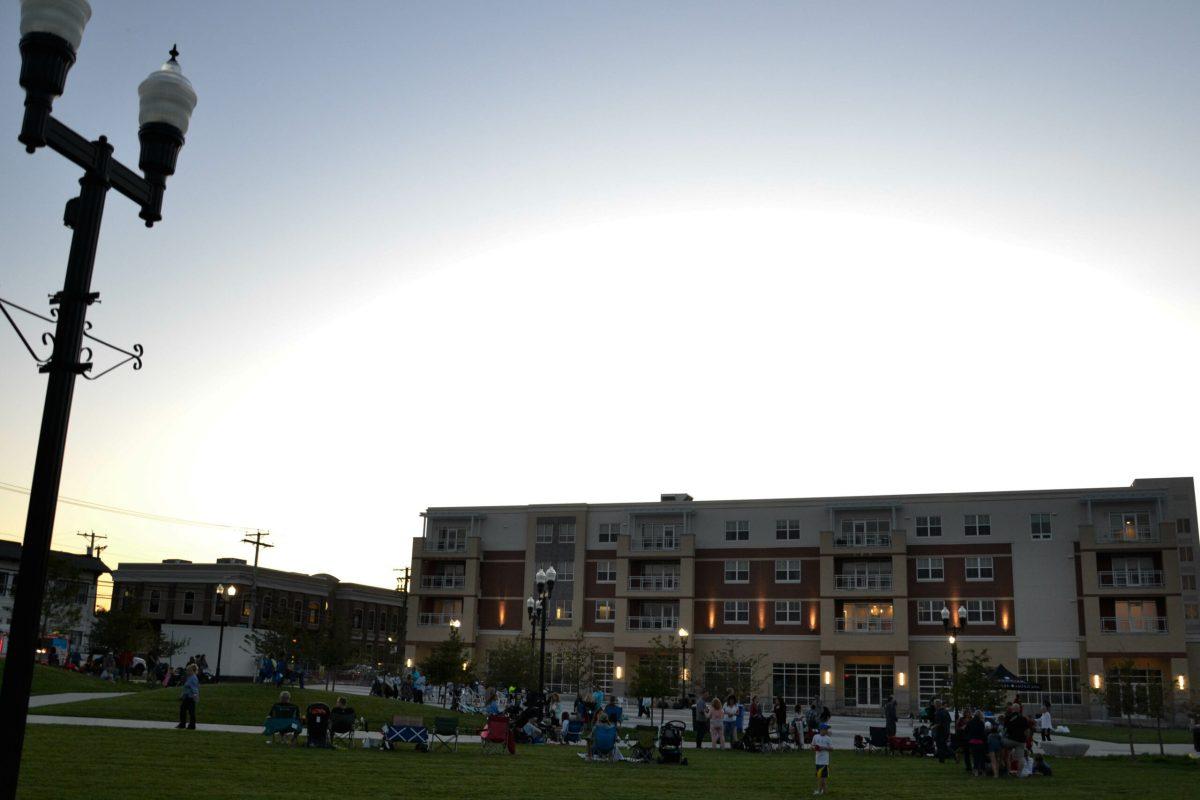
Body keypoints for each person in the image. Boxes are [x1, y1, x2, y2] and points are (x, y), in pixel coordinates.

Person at [1001, 702, 1030, 777]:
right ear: (1019, 709)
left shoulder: (1008, 717)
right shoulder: (1023, 718)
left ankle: (1006, 771)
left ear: (1012, 709)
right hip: (1020, 741)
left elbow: (1004, 730)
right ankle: (1019, 774)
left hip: (1009, 740)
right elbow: (1027, 731)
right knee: (1021, 758)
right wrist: (1025, 739)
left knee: (1005, 752)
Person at [812, 722, 833, 796]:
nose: (827, 730)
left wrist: (823, 748)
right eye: (826, 729)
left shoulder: (828, 738)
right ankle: (825, 791)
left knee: (821, 778)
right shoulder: (815, 737)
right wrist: (815, 748)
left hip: (824, 761)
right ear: (821, 729)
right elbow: (812, 746)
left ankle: (819, 791)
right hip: (817, 760)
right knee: (820, 777)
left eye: (827, 729)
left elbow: (831, 749)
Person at [176, 664, 199, 729]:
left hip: (191, 698)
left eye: (188, 670)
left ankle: (191, 725)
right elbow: (186, 688)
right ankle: (183, 724)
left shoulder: (193, 678)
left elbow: (194, 688)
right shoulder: (189, 677)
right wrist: (182, 695)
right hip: (186, 697)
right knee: (183, 710)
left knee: (191, 712)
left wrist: (195, 696)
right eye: (187, 670)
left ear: (193, 671)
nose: (187, 672)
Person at [965, 709, 987, 777]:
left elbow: (966, 731)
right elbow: (983, 733)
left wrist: (969, 738)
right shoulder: (981, 723)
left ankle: (975, 771)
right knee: (981, 757)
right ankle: (983, 771)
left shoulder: (970, 722)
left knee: (975, 757)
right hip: (980, 742)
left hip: (972, 741)